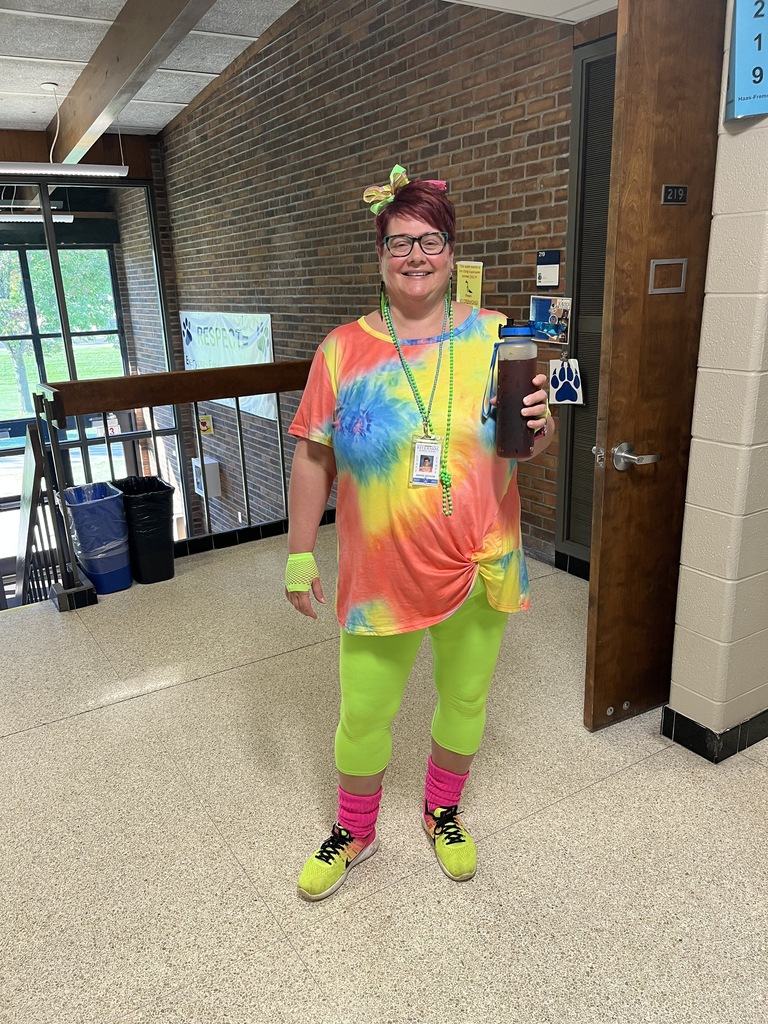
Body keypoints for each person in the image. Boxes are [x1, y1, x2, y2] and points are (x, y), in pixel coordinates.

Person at [284, 163, 553, 902]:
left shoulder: (501, 338)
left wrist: (544, 426)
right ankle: (355, 829)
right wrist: (299, 553)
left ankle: (441, 812)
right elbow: (312, 454)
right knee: (363, 711)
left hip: (481, 560)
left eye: (430, 241)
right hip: (381, 573)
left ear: (451, 251)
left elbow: (527, 439)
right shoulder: (342, 350)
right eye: (400, 242)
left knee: (465, 702)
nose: (415, 256)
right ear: (380, 256)